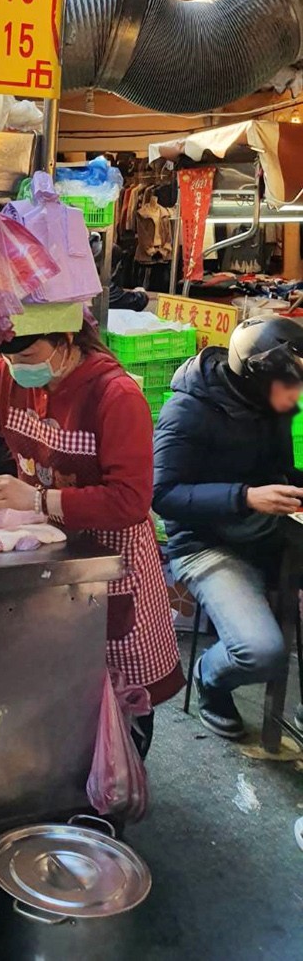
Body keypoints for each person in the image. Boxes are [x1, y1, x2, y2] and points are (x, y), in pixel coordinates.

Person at [0, 322, 183, 754]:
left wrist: (40, 498)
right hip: (44, 554)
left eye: (28, 358)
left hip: (111, 567)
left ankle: (117, 792)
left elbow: (131, 499)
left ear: (66, 341)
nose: (16, 368)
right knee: (53, 692)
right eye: (9, 359)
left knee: (119, 705)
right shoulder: (4, 377)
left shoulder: (115, 396)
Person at [154, 317, 303, 739]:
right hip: (205, 543)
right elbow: (162, 494)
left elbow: (278, 470)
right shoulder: (188, 409)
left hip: (266, 530)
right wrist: (245, 496)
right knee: (262, 652)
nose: (292, 395)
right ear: (256, 376)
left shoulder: (272, 400)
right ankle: (210, 678)